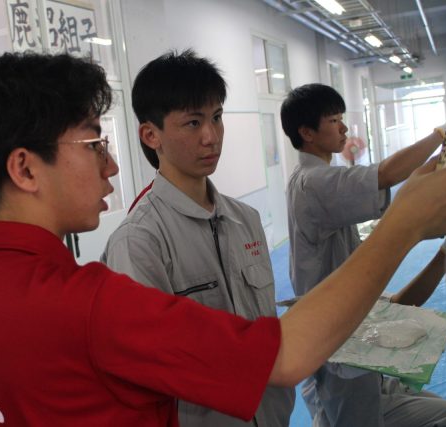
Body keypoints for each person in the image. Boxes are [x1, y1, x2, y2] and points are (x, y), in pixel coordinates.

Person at [0, 52, 446, 426]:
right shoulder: (95, 297)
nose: (112, 165)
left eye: (217, 118)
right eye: (93, 145)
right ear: (25, 169)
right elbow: (281, 355)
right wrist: (403, 225)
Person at [100, 50, 295, 427]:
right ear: (151, 135)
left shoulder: (245, 219)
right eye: (193, 123)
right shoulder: (139, 242)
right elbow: (147, 371)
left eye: (216, 117)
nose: (211, 136)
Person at [280, 83, 446, 427]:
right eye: (333, 120)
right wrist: (441, 134)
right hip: (338, 351)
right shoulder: (313, 182)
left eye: (342, 119)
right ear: (307, 133)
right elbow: (384, 175)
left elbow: (399, 301)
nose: (344, 128)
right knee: (442, 416)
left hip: (350, 346)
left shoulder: (317, 180)